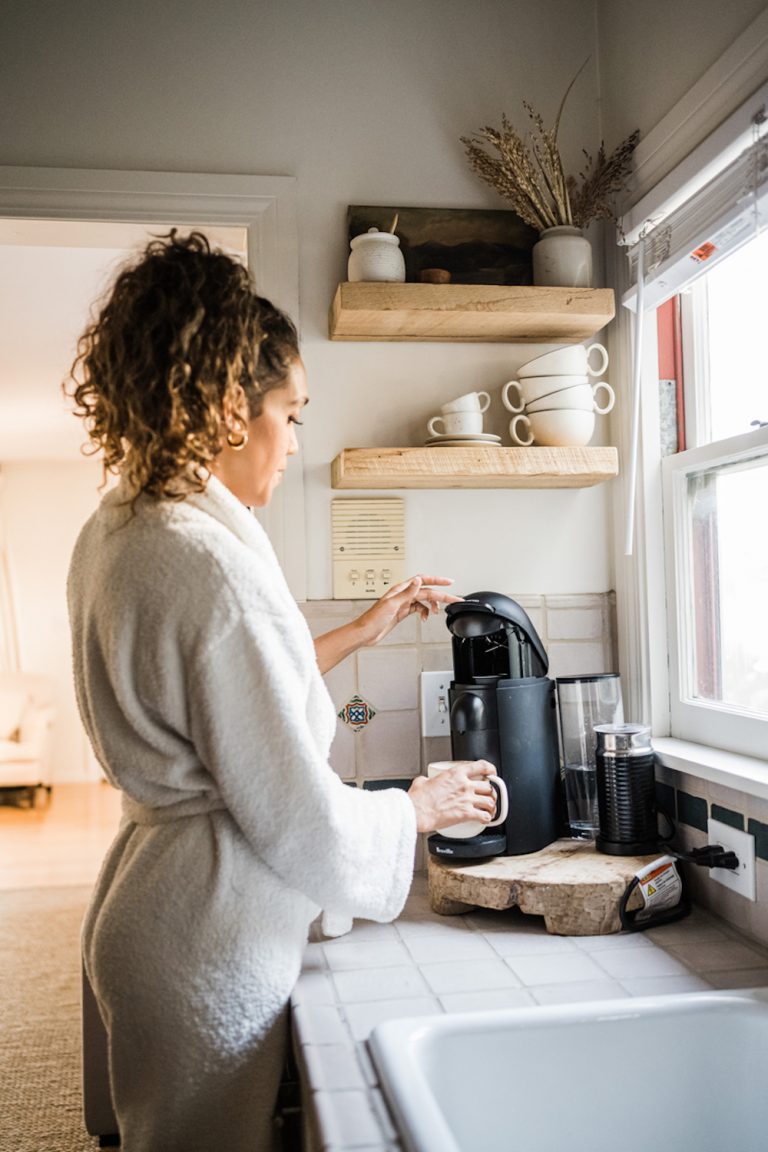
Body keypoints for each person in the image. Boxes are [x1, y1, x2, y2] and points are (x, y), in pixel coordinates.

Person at [64, 231, 497, 1152]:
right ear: (227, 404)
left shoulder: (125, 527)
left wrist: (361, 633)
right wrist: (411, 810)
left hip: (152, 908)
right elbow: (295, 813)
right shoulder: (211, 569)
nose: (295, 445)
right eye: (291, 415)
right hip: (203, 941)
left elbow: (219, 693)